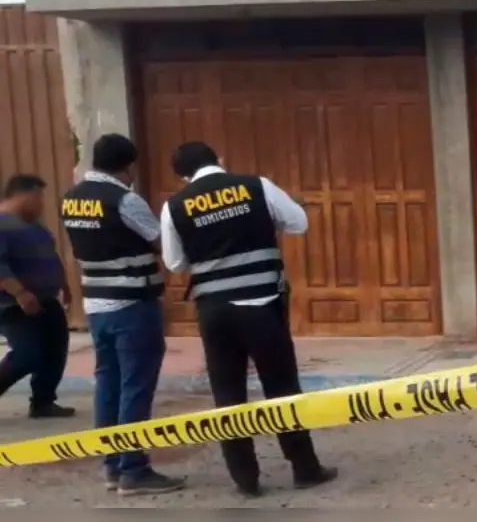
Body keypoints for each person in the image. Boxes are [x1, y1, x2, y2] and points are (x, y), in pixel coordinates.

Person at [159, 141, 335, 497]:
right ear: (219, 160)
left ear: (182, 176)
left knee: (228, 393)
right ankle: (304, 468)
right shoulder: (257, 186)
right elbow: (299, 223)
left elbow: (175, 264)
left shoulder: (174, 206)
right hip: (262, 304)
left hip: (215, 311)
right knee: (282, 388)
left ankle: (246, 479)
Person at [60, 134, 185, 496]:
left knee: (109, 384)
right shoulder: (124, 200)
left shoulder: (72, 199)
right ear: (127, 166)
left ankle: (113, 466)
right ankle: (134, 468)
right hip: (132, 304)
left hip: (97, 306)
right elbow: (162, 241)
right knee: (136, 385)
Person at [0, 174, 75, 418]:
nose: (42, 204)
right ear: (25, 195)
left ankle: (43, 401)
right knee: (27, 354)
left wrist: (64, 284)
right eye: (39, 197)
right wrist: (20, 293)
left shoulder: (35, 226)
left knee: (55, 349)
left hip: (46, 299)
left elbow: (51, 256)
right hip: (12, 304)